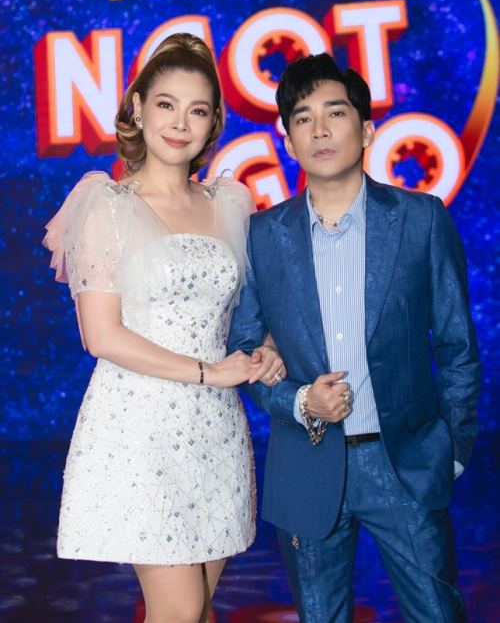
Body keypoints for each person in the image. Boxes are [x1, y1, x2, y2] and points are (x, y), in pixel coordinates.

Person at [228, 53, 480, 621]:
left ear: (365, 130)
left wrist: (454, 449)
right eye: (302, 118)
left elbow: (458, 345)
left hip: (405, 462)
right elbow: (245, 351)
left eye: (335, 113)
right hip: (307, 463)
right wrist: (300, 401)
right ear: (288, 140)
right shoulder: (263, 236)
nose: (319, 129)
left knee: (437, 612)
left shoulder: (421, 219)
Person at [43, 32, 286, 623]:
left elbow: (251, 310)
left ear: (213, 123)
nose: (180, 123)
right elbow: (101, 336)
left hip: (216, 429)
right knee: (178, 611)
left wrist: (267, 347)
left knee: (198, 611)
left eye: (197, 110)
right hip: (140, 424)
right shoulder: (106, 206)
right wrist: (210, 373)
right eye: (166, 105)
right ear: (137, 108)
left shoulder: (231, 203)